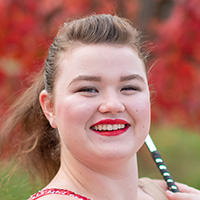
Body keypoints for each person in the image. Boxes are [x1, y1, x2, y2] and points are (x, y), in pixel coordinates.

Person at [0, 14, 200, 200]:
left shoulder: (164, 193)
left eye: (129, 87)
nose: (112, 105)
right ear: (49, 108)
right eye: (88, 89)